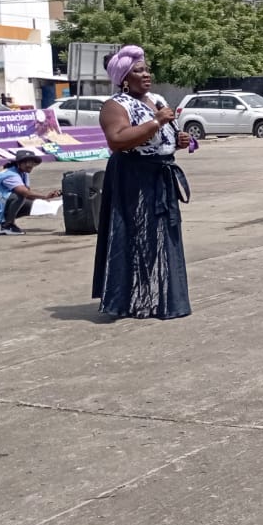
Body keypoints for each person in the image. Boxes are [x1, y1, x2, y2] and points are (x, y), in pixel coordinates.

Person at [93, 45, 194, 320]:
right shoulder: (115, 105)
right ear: (124, 78)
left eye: (147, 69)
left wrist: (179, 140)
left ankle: (163, 296)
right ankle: (133, 298)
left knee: (162, 236)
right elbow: (117, 140)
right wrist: (156, 123)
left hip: (160, 173)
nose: (146, 74)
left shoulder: (156, 99)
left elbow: (162, 135)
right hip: (133, 177)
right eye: (138, 71)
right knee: (136, 237)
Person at [0, 148, 58, 235]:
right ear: (19, 163)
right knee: (20, 196)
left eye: (32, 162)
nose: (30, 165)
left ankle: (5, 222)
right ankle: (7, 225)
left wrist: (43, 199)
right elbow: (25, 193)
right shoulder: (11, 174)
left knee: (31, 205)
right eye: (26, 162)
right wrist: (45, 196)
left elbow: (29, 194)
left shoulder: (23, 173)